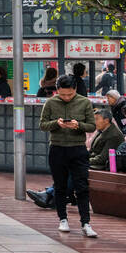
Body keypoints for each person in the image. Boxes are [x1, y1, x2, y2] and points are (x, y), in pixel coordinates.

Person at [39, 74, 98, 237]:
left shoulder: (84, 102)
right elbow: (42, 125)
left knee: (82, 186)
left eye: (70, 94)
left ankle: (86, 222)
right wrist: (55, 124)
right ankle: (62, 219)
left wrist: (78, 125)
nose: (66, 97)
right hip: (57, 148)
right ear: (57, 90)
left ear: (75, 90)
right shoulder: (50, 103)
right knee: (60, 186)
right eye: (62, 94)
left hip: (78, 149)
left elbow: (92, 126)